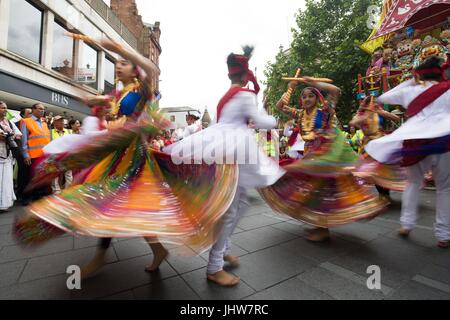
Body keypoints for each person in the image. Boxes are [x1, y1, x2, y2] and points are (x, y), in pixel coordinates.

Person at [16, 36, 238, 281]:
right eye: (117, 62)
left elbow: (153, 69)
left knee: (115, 200)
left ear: (134, 70)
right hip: (115, 157)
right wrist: (76, 81)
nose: (119, 65)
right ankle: (156, 250)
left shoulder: (140, 90)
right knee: (124, 205)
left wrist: (120, 48)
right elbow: (93, 102)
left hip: (135, 162)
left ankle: (103, 256)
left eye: (124, 63)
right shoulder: (117, 95)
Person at [165, 46, 284, 286]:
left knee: (239, 203)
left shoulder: (225, 97)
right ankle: (215, 265)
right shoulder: (245, 96)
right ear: (244, 74)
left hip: (227, 147)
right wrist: (276, 114)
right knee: (231, 208)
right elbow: (262, 121)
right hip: (235, 150)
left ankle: (224, 247)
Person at [259, 76, 387, 242]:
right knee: (314, 192)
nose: (306, 99)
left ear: (317, 98)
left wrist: (314, 83)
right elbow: (280, 106)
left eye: (310, 96)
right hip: (310, 157)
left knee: (322, 192)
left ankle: (325, 228)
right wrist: (290, 87)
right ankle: (329, 223)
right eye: (304, 96)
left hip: (326, 158)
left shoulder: (324, 111)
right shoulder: (299, 114)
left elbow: (336, 91)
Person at [365, 56, 450, 248]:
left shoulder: (411, 90)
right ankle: (444, 235)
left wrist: (410, 82)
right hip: (444, 143)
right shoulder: (448, 89)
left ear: (419, 75)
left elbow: (383, 97)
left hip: (415, 145)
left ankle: (406, 224)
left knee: (412, 183)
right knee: (445, 189)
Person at [350, 96, 404, 197]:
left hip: (381, 143)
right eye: (371, 102)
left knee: (385, 169)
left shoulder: (378, 111)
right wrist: (365, 114)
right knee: (374, 170)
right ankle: (382, 194)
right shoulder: (361, 114)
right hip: (369, 145)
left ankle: (385, 193)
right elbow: (352, 123)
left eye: (375, 102)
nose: (374, 103)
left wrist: (381, 112)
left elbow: (396, 118)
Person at [19, 103, 51, 204]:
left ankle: (38, 196)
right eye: (40, 109)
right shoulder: (25, 121)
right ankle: (26, 198)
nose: (42, 111)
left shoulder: (44, 124)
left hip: (44, 156)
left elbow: (47, 140)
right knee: (29, 178)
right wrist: (25, 155)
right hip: (32, 156)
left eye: (43, 109)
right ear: (33, 110)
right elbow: (23, 141)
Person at [0, 102, 22, 211]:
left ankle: (5, 204)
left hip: (7, 155)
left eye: (6, 108)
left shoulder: (9, 122)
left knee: (6, 180)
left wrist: (11, 135)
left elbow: (19, 134)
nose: (5, 110)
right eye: (3, 108)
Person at [49, 115, 73, 194]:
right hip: (54, 157)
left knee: (69, 176)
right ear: (54, 122)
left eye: (62, 121)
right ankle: (56, 192)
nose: (61, 122)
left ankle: (66, 192)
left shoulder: (69, 132)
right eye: (59, 121)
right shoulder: (50, 132)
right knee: (54, 176)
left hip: (67, 157)